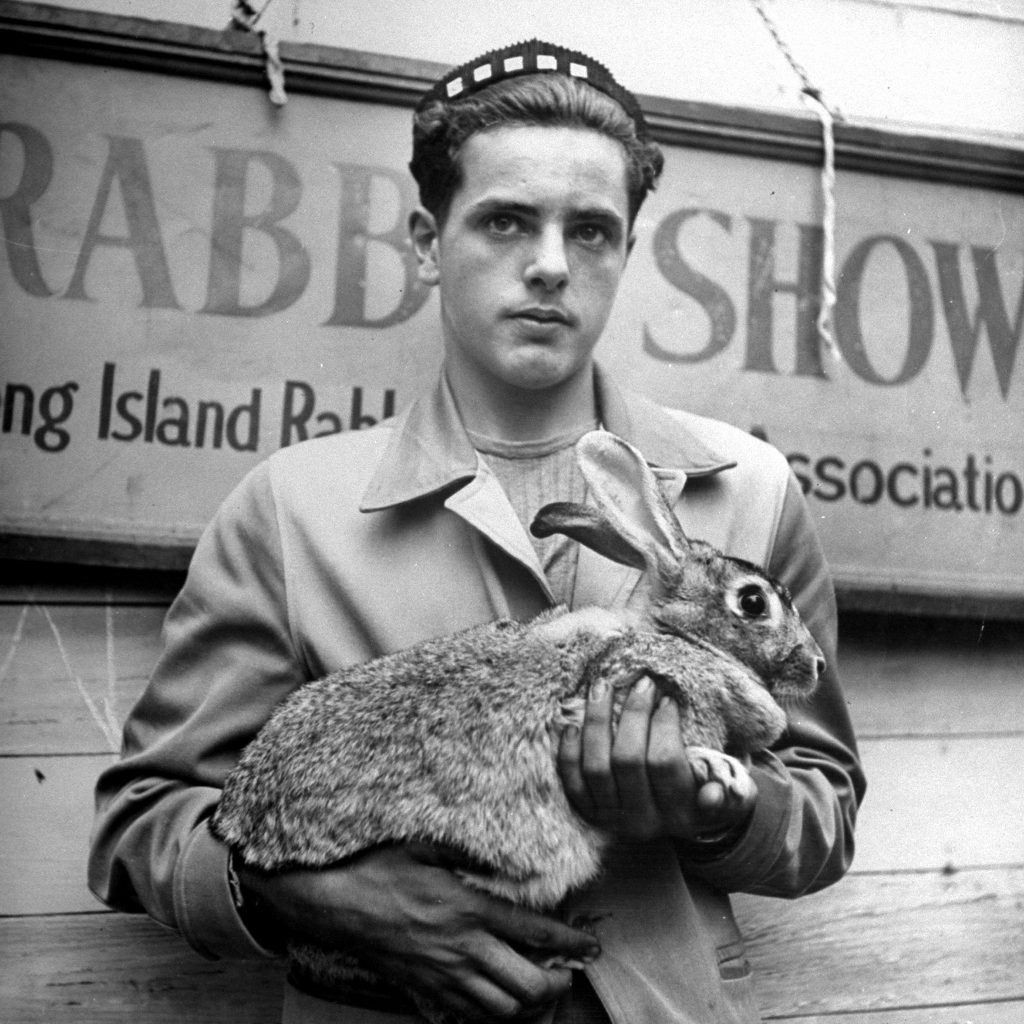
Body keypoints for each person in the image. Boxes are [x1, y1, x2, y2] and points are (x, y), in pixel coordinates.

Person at [89, 39, 865, 1024]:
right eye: (505, 220)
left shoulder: (748, 491)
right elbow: (141, 821)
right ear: (425, 240)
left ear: (627, 249)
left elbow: (823, 805)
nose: (549, 265)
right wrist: (315, 897)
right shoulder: (289, 505)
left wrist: (719, 807)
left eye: (590, 231)